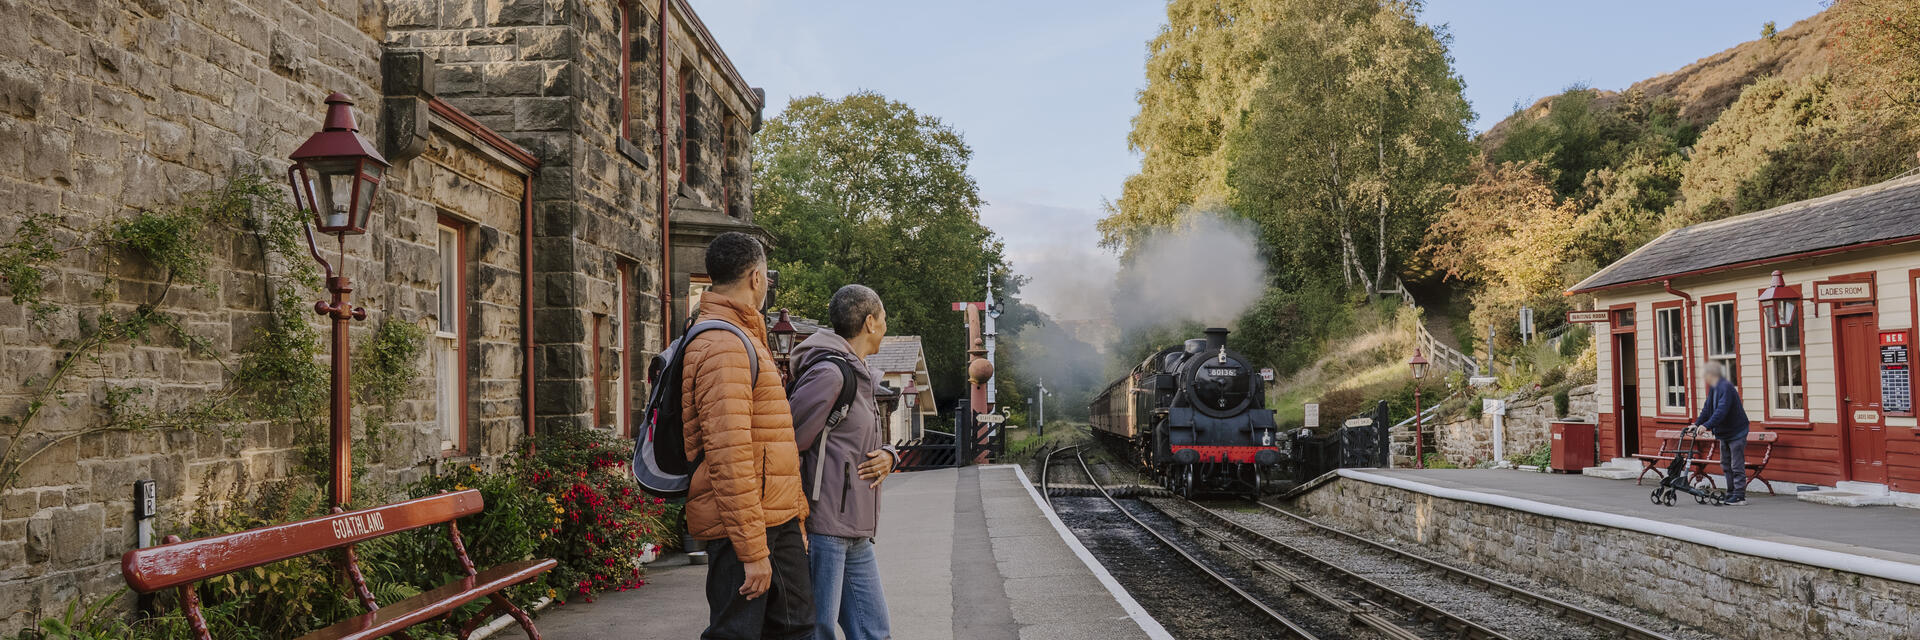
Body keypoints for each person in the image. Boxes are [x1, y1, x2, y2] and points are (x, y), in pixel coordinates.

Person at [682, 232, 813, 640]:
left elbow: (767, 441)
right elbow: (729, 455)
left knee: (795, 628)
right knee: (737, 633)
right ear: (756, 278)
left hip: (773, 515)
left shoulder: (742, 335)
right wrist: (753, 552)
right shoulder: (723, 344)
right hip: (746, 525)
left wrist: (796, 519)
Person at [788, 284, 898, 640]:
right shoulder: (831, 374)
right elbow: (788, 443)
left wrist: (889, 456)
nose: (885, 325)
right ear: (870, 322)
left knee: (873, 631)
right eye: (883, 319)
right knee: (819, 631)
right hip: (826, 528)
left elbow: (861, 441)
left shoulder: (859, 373)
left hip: (856, 530)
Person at [1691, 362, 1751, 506]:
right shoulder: (1714, 388)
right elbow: (1707, 409)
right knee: (1725, 464)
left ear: (1712, 375)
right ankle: (1731, 493)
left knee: (1736, 465)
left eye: (1705, 375)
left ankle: (1739, 496)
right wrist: (1697, 424)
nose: (1704, 378)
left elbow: (1721, 411)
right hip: (1725, 433)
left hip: (1736, 431)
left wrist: (1706, 426)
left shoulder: (1726, 388)